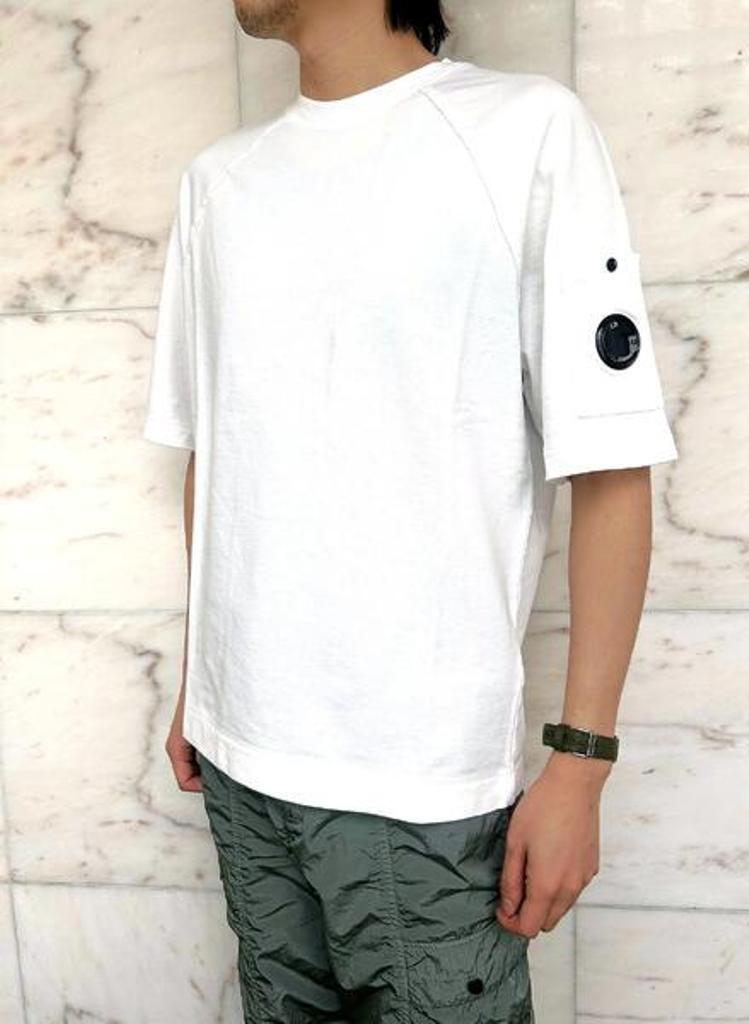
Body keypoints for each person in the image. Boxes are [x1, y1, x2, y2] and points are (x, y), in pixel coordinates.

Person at [142, 1, 678, 1020]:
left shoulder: (525, 131)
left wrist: (581, 765)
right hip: (240, 762)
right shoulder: (218, 182)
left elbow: (611, 464)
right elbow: (220, 448)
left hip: (422, 787)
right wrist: (197, 681)